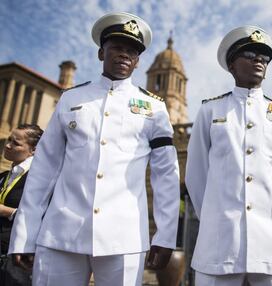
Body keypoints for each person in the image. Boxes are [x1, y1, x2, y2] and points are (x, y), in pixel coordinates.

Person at [8, 12, 180, 286]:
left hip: (123, 237)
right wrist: (24, 235)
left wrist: (166, 235)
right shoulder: (70, 99)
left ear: (137, 62)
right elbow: (43, 170)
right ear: (101, 53)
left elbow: (166, 176)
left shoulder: (155, 108)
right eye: (117, 47)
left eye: (132, 51)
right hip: (61, 233)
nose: (124, 55)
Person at [185, 25, 272, 286]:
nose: (258, 61)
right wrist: (217, 216)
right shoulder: (210, 111)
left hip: (271, 243)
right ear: (232, 65)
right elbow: (196, 175)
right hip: (220, 241)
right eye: (250, 54)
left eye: (264, 57)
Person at [0, 124, 43, 285]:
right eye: (9, 139)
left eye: (16, 143)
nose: (8, 145)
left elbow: (44, 217)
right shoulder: (5, 175)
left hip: (19, 259)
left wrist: (7, 211)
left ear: (33, 150)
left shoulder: (38, 179)